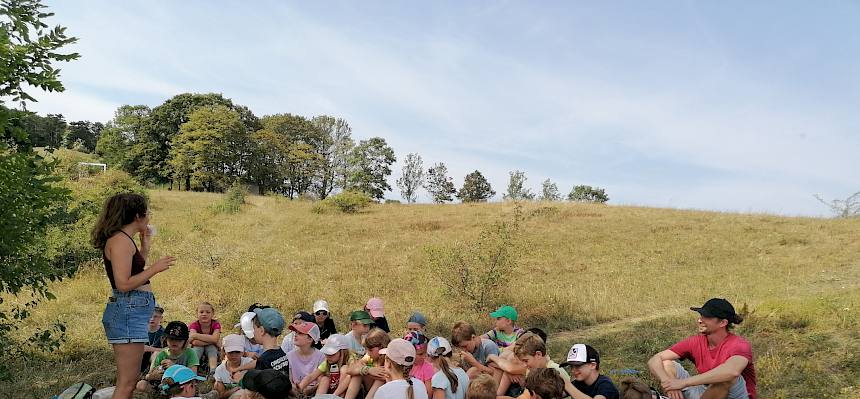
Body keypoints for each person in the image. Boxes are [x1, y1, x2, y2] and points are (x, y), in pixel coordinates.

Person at [91, 193, 175, 399]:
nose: (149, 218)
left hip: (132, 312)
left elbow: (132, 274)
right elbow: (123, 284)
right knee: (127, 383)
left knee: (129, 380)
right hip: (128, 311)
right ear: (137, 216)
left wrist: (144, 248)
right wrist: (155, 268)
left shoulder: (124, 240)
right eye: (147, 213)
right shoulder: (120, 241)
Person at [647, 298, 756, 399]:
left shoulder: (739, 345)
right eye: (701, 315)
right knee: (666, 364)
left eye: (707, 317)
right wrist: (668, 382)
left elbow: (732, 372)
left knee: (726, 378)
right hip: (705, 392)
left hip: (734, 396)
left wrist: (683, 383)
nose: (700, 320)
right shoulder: (696, 341)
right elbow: (655, 359)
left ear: (723, 322)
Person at [137, 321, 200, 394]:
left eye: (178, 340)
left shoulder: (190, 353)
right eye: (171, 339)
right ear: (165, 339)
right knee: (141, 385)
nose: (174, 342)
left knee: (188, 386)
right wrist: (155, 374)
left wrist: (174, 367)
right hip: (161, 383)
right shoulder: (162, 354)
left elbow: (193, 375)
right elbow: (150, 374)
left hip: (182, 383)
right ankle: (158, 394)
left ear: (185, 341)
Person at [345, 327, 391, 399]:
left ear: (382, 347)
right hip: (370, 389)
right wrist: (368, 370)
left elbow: (386, 377)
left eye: (370, 350)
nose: (368, 353)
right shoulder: (368, 356)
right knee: (357, 374)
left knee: (379, 380)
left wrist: (367, 372)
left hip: (384, 392)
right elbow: (350, 370)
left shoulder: (389, 359)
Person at [285, 321, 325, 395]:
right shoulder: (289, 356)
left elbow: (321, 381)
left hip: (315, 393)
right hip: (294, 392)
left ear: (310, 339)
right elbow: (289, 381)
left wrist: (310, 390)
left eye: (300, 333)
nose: (295, 335)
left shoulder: (321, 356)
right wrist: (296, 390)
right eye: (296, 332)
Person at [251, 308, 290, 376]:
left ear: (262, 331)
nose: (253, 332)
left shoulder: (263, 361)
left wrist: (241, 381)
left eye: (254, 328)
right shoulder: (282, 353)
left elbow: (259, 384)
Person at [213, 334, 253, 399]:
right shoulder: (220, 370)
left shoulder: (249, 363)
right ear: (224, 352)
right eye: (230, 352)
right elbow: (221, 395)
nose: (234, 355)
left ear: (243, 352)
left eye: (237, 352)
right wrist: (233, 391)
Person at [189, 302, 222, 373]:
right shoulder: (194, 325)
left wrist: (196, 335)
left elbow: (215, 339)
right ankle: (192, 372)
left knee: (212, 349)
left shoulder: (216, 324)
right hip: (198, 346)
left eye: (208, 312)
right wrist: (212, 341)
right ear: (197, 314)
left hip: (211, 346)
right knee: (196, 350)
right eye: (201, 312)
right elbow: (194, 342)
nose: (204, 314)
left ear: (212, 314)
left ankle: (213, 371)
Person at [404, 331, 434, 398]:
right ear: (409, 353)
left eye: (425, 353)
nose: (424, 357)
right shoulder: (401, 366)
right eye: (420, 354)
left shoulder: (427, 368)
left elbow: (429, 394)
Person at [142, 306, 166, 373]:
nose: (152, 319)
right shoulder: (141, 331)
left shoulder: (164, 333)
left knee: (156, 354)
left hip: (156, 360)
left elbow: (168, 350)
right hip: (141, 359)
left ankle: (150, 374)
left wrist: (149, 349)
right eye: (150, 316)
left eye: (155, 316)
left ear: (161, 318)